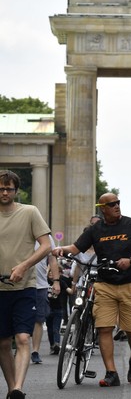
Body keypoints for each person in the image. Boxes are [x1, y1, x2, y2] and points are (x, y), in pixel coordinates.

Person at [52, 192, 131, 387]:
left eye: (118, 203)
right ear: (103, 208)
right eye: (112, 204)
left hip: (129, 284)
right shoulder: (95, 229)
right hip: (104, 285)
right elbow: (75, 248)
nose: (117, 206)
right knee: (104, 328)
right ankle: (111, 372)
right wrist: (59, 249)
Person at [0, 170, 52, 399]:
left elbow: (46, 245)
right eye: (1, 188)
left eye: (9, 188)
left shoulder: (29, 212)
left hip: (25, 286)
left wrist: (24, 266)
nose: (4, 192)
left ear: (16, 191)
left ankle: (18, 387)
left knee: (22, 338)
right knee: (2, 344)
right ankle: (13, 390)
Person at [30, 236, 60, 364]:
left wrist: (56, 282)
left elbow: (52, 260)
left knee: (39, 319)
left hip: (40, 285)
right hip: (18, 283)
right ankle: (17, 346)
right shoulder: (19, 230)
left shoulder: (46, 237)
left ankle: (35, 351)